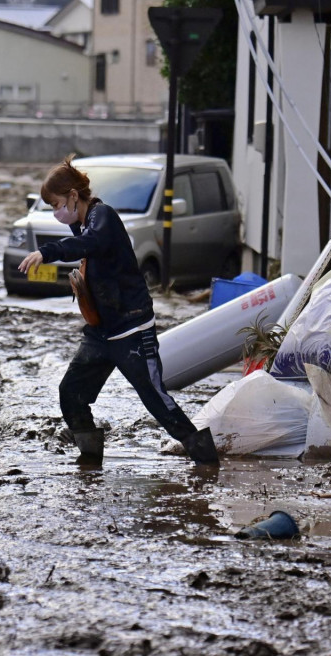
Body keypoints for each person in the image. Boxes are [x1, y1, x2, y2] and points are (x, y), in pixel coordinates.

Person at [18, 154, 219, 468]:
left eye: (57, 205)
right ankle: (89, 460)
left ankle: (206, 459)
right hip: (101, 332)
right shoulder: (82, 224)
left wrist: (46, 252)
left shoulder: (103, 217)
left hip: (133, 330)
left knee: (156, 399)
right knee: (71, 391)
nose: (56, 212)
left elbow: (90, 244)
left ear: (73, 196)